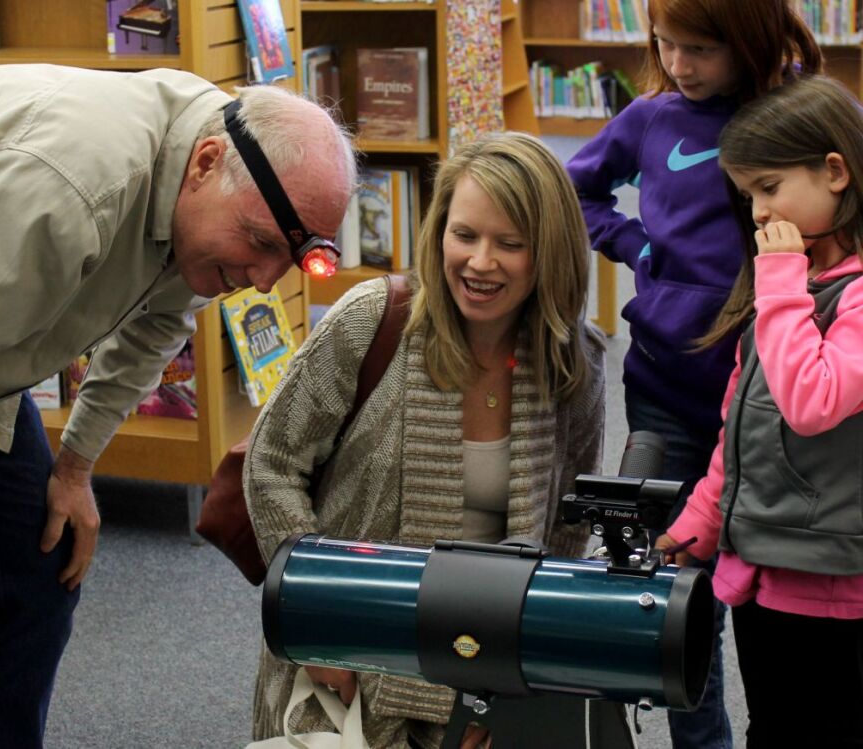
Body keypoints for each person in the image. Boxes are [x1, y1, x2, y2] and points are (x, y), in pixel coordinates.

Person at [0, 63, 355, 747]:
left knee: (40, 571)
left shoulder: (222, 154)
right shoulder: (72, 190)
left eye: (289, 259)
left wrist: (74, 466)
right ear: (206, 165)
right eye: (262, 244)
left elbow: (159, 323)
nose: (261, 280)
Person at [244, 132, 633, 748]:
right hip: (349, 656)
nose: (480, 262)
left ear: (551, 253)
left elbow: (565, 529)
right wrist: (315, 618)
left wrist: (510, 688)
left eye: (511, 244)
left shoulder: (573, 361)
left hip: (489, 663)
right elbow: (271, 464)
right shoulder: (374, 319)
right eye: (465, 235)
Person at [565, 2, 822, 746]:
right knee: (676, 597)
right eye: (666, 44)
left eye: (701, 48)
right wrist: (638, 248)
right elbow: (577, 192)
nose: (679, 64)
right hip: (666, 395)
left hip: (777, 403)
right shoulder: (650, 117)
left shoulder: (799, 117)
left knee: (772, 595)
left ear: (748, 38)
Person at [655, 74, 863, 747]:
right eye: (748, 195)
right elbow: (741, 436)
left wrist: (779, 283)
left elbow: (812, 401)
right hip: (766, 577)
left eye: (768, 189)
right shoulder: (793, 290)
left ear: (835, 171)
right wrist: (692, 531)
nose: (755, 213)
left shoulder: (838, 296)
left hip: (836, 590)